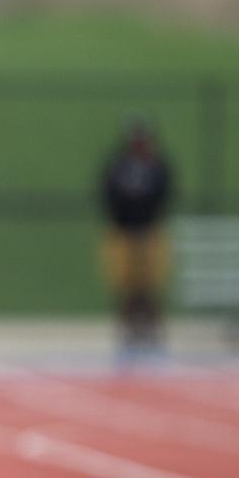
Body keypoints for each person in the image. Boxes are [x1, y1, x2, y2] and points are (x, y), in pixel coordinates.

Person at [100, 119, 174, 356]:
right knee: (126, 286)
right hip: (124, 231)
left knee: (150, 285)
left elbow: (164, 194)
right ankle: (127, 330)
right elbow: (109, 195)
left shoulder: (158, 167)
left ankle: (153, 330)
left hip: (149, 231)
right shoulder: (118, 167)